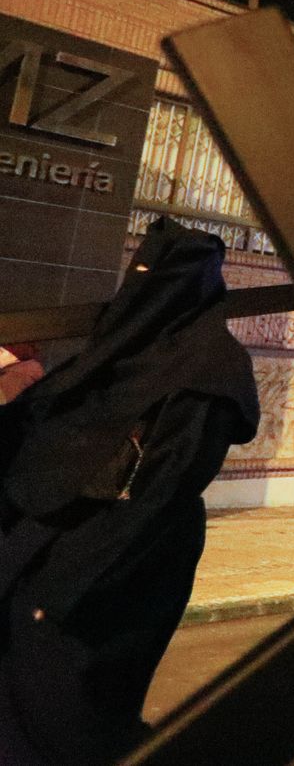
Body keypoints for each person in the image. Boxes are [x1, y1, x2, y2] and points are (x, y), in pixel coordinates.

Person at [0, 218, 260, 764]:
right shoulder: (132, 343)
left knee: (74, 713)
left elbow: (158, 494)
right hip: (46, 558)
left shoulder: (209, 366)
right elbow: (54, 427)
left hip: (112, 574)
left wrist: (63, 594)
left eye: (154, 276)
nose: (140, 284)